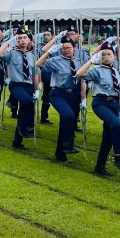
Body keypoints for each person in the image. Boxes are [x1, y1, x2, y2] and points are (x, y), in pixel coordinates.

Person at [75, 42, 120, 174]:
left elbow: (119, 91)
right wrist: (91, 61)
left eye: (109, 54)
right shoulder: (97, 70)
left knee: (108, 136)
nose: (106, 57)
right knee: (117, 124)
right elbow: (79, 74)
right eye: (103, 55)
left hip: (114, 103)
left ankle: (100, 167)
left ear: (114, 56)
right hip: (101, 103)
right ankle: (119, 156)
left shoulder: (117, 71)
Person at [37, 32, 81, 162]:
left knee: (68, 122)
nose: (66, 50)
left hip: (73, 94)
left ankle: (61, 153)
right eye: (64, 48)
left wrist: (83, 98)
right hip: (58, 93)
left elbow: (82, 80)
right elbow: (38, 64)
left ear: (74, 48)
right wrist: (49, 52)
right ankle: (67, 145)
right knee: (68, 115)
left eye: (69, 48)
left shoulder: (78, 62)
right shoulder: (55, 61)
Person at [0, 29, 39, 150]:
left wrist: (37, 89)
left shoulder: (32, 56)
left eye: (24, 38)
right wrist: (8, 43)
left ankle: (17, 140)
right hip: (16, 84)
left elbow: (35, 74)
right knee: (27, 102)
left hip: (29, 85)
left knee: (25, 111)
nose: (22, 40)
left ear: (29, 40)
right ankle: (28, 127)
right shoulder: (12, 53)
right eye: (19, 38)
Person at [37, 28, 54, 124]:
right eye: (45, 35)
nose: (46, 36)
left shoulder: (55, 46)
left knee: (47, 94)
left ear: (52, 36)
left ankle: (44, 117)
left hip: (49, 72)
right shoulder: (38, 46)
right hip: (39, 70)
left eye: (48, 35)